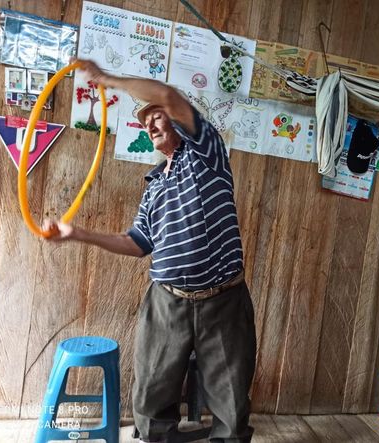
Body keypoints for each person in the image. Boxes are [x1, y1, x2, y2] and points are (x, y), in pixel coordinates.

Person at [43, 59, 256, 443]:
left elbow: (167, 95)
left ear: (178, 121)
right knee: (151, 393)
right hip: (166, 301)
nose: (151, 125)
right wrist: (77, 234)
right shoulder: (154, 184)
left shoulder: (206, 153)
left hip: (223, 300)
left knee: (231, 399)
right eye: (146, 123)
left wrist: (107, 79)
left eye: (157, 117)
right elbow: (137, 243)